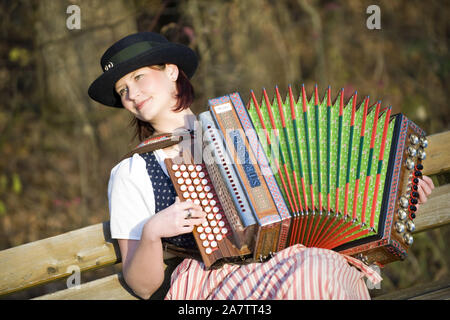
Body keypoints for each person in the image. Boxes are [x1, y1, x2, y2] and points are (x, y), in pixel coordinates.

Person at [88, 32, 435, 300]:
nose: (131, 94)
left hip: (290, 263)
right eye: (122, 90)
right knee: (314, 274)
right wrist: (152, 232)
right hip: (208, 288)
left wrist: (396, 190)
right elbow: (143, 287)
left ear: (172, 71)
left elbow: (322, 190)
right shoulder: (132, 173)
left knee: (321, 268)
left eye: (138, 78)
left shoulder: (241, 131)